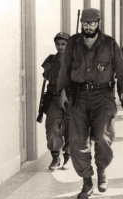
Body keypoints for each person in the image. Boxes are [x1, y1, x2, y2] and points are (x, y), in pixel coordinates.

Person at [57, 8, 123, 199]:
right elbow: (64, 69)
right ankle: (87, 181)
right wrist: (63, 91)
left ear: (98, 23)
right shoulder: (73, 43)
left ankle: (102, 169)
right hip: (78, 96)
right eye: (85, 23)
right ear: (81, 23)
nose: (88, 27)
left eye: (91, 23)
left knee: (103, 138)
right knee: (77, 142)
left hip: (103, 96)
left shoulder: (109, 44)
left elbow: (122, 70)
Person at [42, 32, 71, 171]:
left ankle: (68, 158)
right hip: (53, 97)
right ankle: (55, 158)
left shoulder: (75, 59)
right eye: (58, 44)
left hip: (71, 98)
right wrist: (47, 70)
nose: (60, 47)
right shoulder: (51, 59)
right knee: (52, 126)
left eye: (63, 44)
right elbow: (46, 77)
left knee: (71, 128)